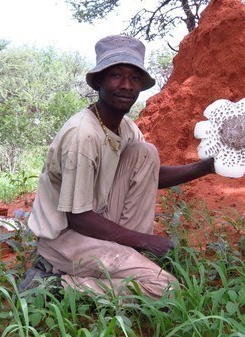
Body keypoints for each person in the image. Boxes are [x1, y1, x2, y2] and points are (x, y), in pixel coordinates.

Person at [19, 35, 215, 300]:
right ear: (99, 80)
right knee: (165, 288)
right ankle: (55, 285)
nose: (126, 86)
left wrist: (207, 166)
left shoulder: (124, 126)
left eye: (134, 78)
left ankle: (113, 260)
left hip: (95, 222)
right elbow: (78, 217)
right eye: (116, 75)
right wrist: (144, 240)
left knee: (145, 153)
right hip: (66, 236)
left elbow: (152, 175)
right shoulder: (82, 136)